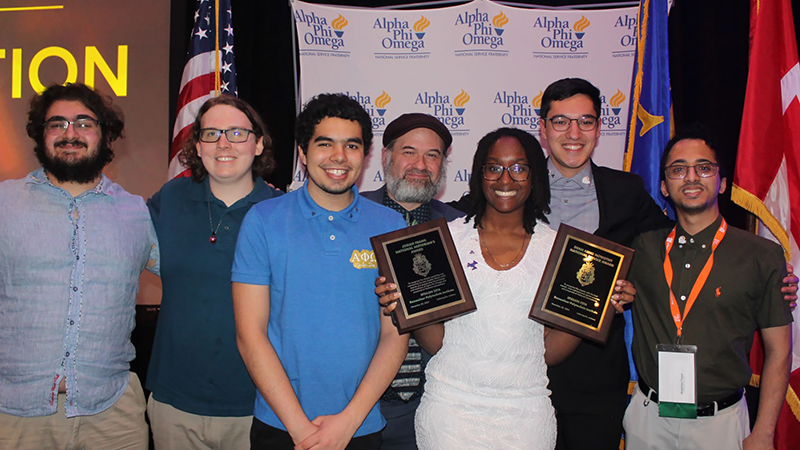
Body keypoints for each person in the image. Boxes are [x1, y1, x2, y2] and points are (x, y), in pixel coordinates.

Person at [381, 128, 633, 449]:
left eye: (518, 168)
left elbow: (549, 354)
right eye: (494, 167)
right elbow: (437, 343)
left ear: (534, 177)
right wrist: (408, 301)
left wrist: (596, 308)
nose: (505, 179)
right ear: (479, 174)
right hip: (449, 414)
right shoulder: (444, 242)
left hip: (526, 418)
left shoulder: (561, 251)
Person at [232, 93, 409, 450]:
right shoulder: (263, 221)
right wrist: (302, 431)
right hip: (281, 426)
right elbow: (250, 336)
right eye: (325, 143)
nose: (339, 157)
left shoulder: (391, 225)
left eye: (351, 145)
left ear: (365, 154)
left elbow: (396, 336)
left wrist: (347, 424)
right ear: (303, 151)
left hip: (360, 426)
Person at [0, 83, 158, 449]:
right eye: (57, 124)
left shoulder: (136, 212)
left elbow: (193, 277)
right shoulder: (5, 203)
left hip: (113, 415)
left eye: (84, 123)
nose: (70, 133)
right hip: (13, 416)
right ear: (41, 134)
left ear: (106, 134)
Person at [623, 126, 793, 450]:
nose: (691, 178)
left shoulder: (761, 255)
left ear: (723, 182)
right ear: (663, 186)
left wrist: (764, 432)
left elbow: (779, 352)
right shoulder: (641, 248)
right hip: (648, 420)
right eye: (678, 169)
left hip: (721, 425)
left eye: (704, 168)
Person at [145, 95, 282, 449]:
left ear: (258, 144)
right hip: (174, 403)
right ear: (198, 146)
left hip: (258, 406)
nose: (223, 143)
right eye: (211, 133)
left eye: (237, 132)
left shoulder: (281, 213)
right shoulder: (169, 199)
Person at [361, 113, 464, 450]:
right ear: (386, 156)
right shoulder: (351, 215)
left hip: (435, 402)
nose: (420, 164)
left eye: (432, 155)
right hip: (359, 400)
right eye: (409, 152)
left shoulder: (463, 230)